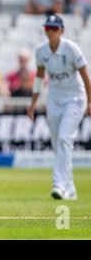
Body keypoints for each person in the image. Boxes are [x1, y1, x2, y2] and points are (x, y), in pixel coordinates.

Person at [27, 14, 91, 200]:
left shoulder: (71, 49)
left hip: (75, 98)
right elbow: (39, 78)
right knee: (59, 144)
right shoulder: (41, 51)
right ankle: (70, 189)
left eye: (54, 29)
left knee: (64, 139)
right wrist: (33, 103)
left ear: (61, 30)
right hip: (54, 99)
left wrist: (90, 101)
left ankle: (59, 184)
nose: (51, 32)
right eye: (48, 28)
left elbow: (86, 77)